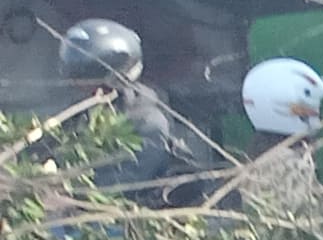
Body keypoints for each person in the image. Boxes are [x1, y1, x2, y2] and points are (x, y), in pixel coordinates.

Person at [59, 17, 211, 205]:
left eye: (82, 78)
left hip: (131, 221)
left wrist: (72, 196)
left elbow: (126, 185)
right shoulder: (80, 115)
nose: (76, 86)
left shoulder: (148, 122)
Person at [223, 57, 323, 225]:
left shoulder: (259, 156)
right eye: (309, 109)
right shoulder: (289, 163)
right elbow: (302, 231)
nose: (318, 116)